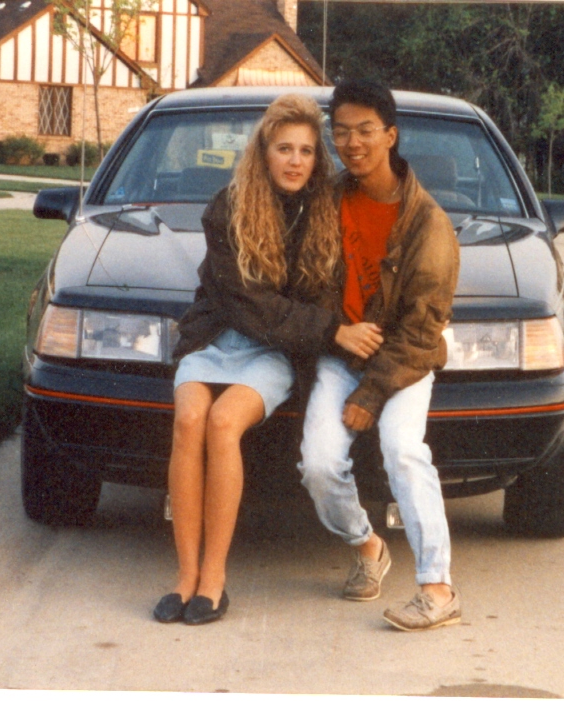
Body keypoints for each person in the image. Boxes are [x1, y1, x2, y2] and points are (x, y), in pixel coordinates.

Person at [153, 94, 384, 626]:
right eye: (284, 148)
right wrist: (331, 331)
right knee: (189, 419)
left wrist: (330, 328)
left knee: (222, 422)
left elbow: (325, 295)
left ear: (317, 158)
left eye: (306, 150)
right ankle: (184, 577)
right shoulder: (227, 207)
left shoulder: (326, 212)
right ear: (264, 152)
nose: (295, 160)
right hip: (215, 337)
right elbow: (244, 301)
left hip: (278, 349)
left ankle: (214, 580)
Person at [296, 79, 462, 631]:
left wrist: (371, 394)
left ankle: (437, 588)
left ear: (390, 135)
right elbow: (308, 282)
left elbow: (422, 330)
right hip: (342, 355)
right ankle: (368, 546)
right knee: (320, 464)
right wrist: (336, 332)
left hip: (404, 363)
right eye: (341, 131)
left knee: (403, 450)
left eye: (365, 130)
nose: (352, 142)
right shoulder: (327, 201)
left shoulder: (428, 224)